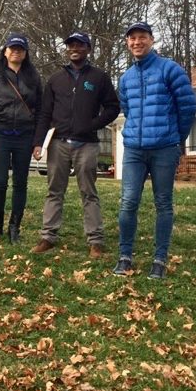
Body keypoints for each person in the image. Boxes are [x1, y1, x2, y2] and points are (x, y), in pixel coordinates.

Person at [114, 21, 196, 279]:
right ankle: (125, 256)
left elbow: (188, 108)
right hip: (134, 151)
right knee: (128, 202)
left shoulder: (170, 70)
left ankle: (160, 259)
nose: (137, 42)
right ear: (128, 43)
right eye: (132, 39)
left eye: (142, 37)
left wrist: (175, 139)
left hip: (164, 148)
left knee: (163, 203)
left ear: (151, 40)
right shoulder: (125, 78)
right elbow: (127, 110)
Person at [31, 32, 120, 257]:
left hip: (86, 145)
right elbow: (44, 113)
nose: (75, 48)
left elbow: (112, 107)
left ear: (88, 49)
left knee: (89, 192)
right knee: (54, 191)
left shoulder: (99, 77)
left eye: (80, 45)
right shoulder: (55, 79)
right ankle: (48, 237)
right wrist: (39, 142)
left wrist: (93, 124)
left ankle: (96, 242)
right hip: (58, 143)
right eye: (71, 45)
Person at [0, 33, 42, 243]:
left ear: (25, 53)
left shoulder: (33, 77)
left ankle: (15, 228)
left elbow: (41, 110)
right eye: (12, 48)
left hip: (25, 136)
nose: (16, 52)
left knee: (21, 183)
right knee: (0, 182)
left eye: (20, 49)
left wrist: (37, 141)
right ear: (5, 51)